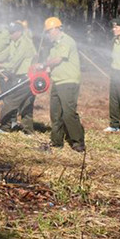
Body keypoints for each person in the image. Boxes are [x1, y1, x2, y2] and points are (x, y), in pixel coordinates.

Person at [43, 17, 85, 152]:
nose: (47, 35)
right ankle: (56, 141)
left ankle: (78, 142)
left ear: (56, 29)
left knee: (68, 113)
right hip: (57, 81)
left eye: (49, 32)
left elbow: (57, 60)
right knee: (55, 114)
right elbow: (50, 65)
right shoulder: (54, 46)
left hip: (68, 81)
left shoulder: (66, 41)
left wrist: (42, 65)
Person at [0, 22, 37, 134]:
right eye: (9, 32)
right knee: (25, 104)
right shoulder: (14, 42)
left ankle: (5, 127)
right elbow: (5, 55)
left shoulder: (25, 44)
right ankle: (28, 131)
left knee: (9, 101)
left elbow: (13, 64)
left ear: (19, 32)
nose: (10, 35)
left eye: (12, 32)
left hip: (26, 78)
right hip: (18, 77)